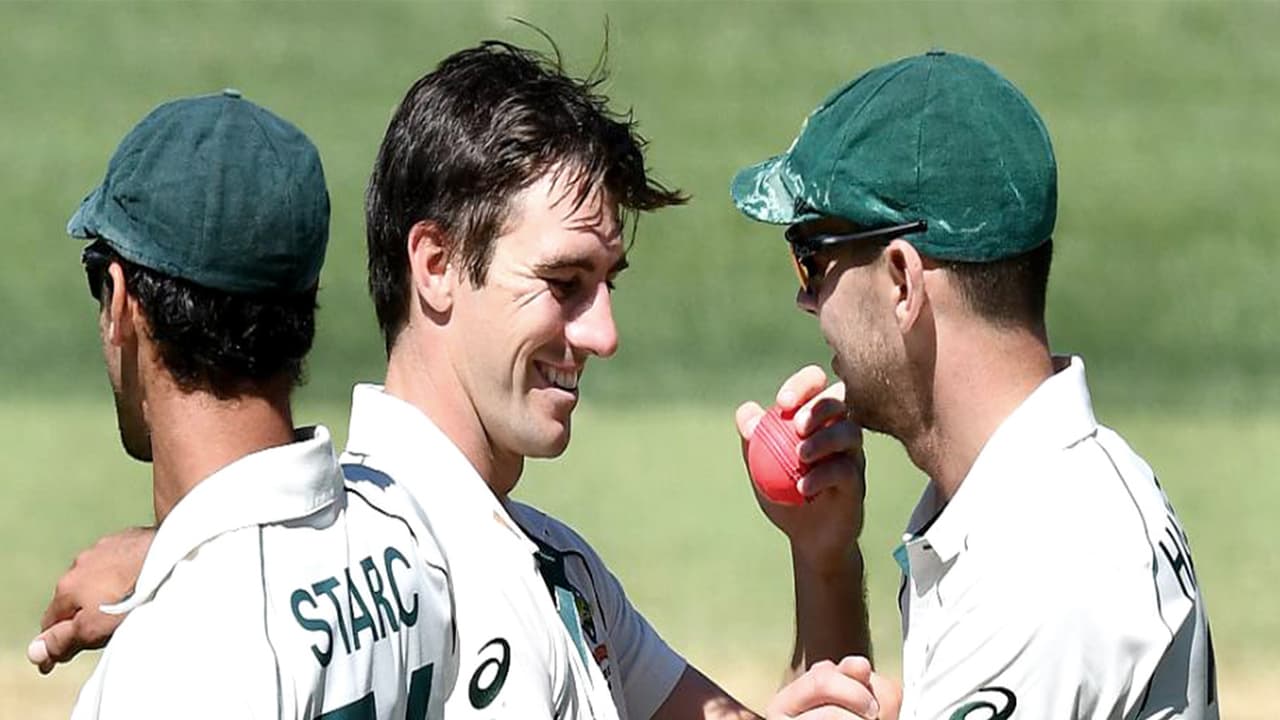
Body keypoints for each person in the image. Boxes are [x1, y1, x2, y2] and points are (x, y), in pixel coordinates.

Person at [32, 44, 879, 720]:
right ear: (436, 265)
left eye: (607, 283)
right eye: (563, 283)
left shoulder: (548, 562)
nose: (605, 334)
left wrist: (824, 561)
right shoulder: (457, 572)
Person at [730, 50, 1218, 719]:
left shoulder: (1044, 568)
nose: (806, 301)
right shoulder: (1025, 504)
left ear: (902, 281)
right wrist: (825, 562)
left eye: (812, 259)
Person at [49, 90, 455, 718]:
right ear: (306, 294)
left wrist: (177, 581)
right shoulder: (412, 532)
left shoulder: (170, 668)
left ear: (123, 301)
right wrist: (166, 558)